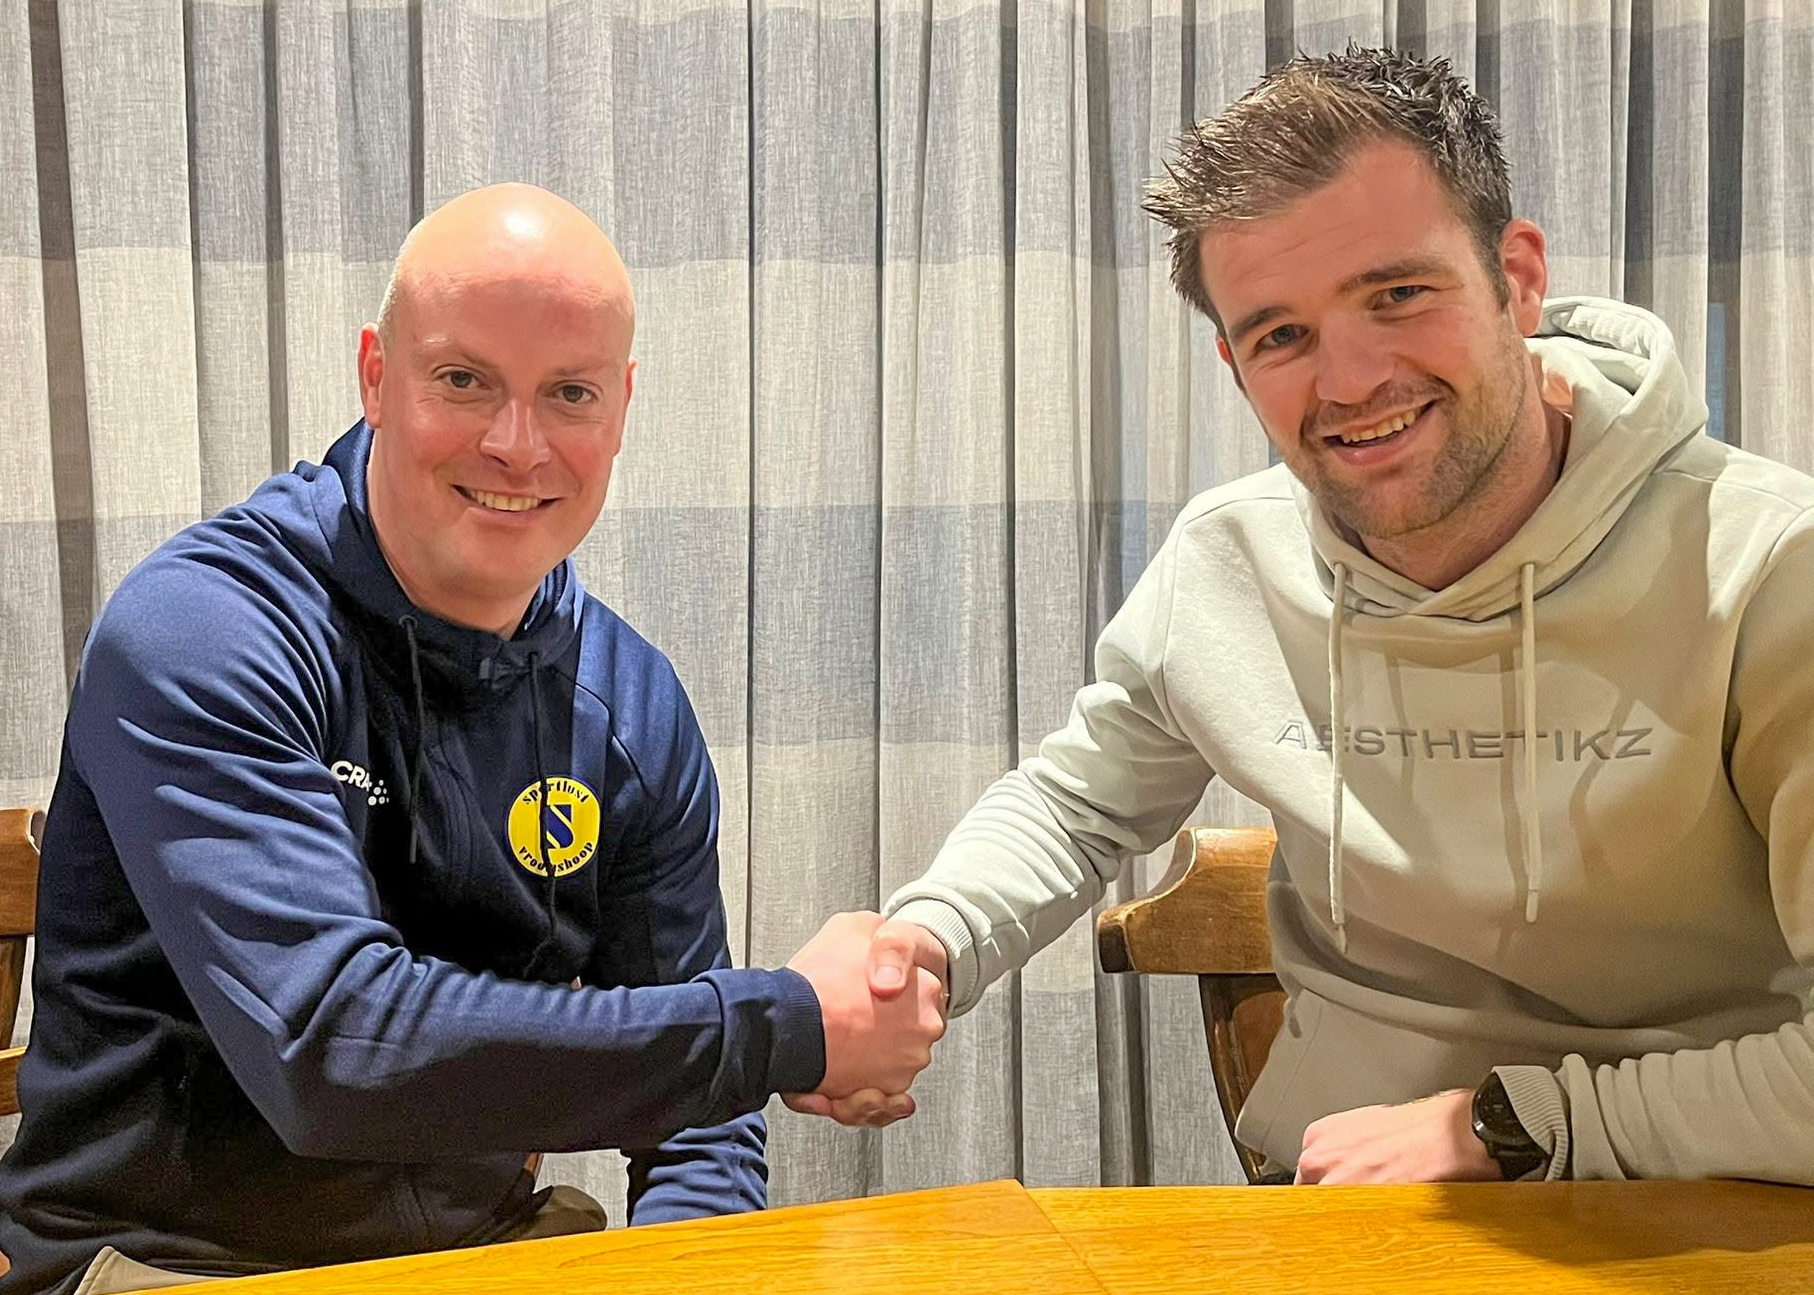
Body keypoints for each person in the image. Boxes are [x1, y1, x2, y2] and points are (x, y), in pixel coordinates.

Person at [798, 46, 1814, 1186]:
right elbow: (1075, 803)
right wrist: (920, 944)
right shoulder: (1230, 556)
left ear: (1517, 279)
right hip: (1337, 1199)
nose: (1350, 379)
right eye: (1280, 334)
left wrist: (1511, 1123)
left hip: (1700, 1200)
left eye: (1398, 294)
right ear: (1234, 363)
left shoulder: (1772, 567)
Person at [0, 185, 945, 1295]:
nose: (515, 444)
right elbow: (329, 1051)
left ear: (621, 407)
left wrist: (683, 1266)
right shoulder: (204, 629)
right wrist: (787, 1024)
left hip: (487, 1250)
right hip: (172, 1262)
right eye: (463, 380)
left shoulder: (630, 707)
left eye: (569, 393)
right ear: (375, 376)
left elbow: (699, 1124)